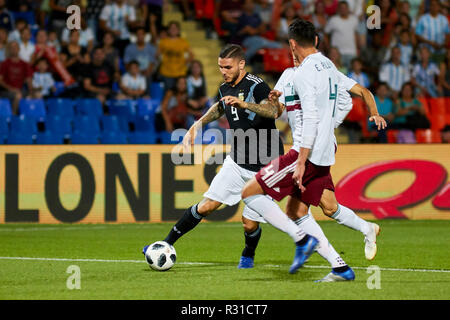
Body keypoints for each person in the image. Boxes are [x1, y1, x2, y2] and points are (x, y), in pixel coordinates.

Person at [240, 19, 387, 280]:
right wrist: (275, 100)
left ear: (292, 44)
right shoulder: (324, 67)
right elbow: (280, 109)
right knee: (314, 209)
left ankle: (302, 241)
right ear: (317, 40)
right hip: (323, 153)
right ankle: (342, 264)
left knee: (249, 192)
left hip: (305, 152)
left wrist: (301, 159)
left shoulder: (306, 73)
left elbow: (311, 118)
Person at [155, 44, 318, 274]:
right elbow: (220, 107)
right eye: (220, 67)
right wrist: (197, 124)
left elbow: (272, 111)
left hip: (264, 165)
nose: (223, 71)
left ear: (241, 64)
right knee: (207, 206)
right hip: (237, 160)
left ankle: (249, 253)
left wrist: (243, 103)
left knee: (248, 223)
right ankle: (165, 243)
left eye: (228, 67)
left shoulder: (257, 85)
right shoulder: (224, 87)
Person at [157, 21, 194, 92]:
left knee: (180, 93)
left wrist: (184, 62)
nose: (173, 30)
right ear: (168, 30)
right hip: (166, 73)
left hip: (180, 73)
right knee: (168, 93)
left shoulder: (183, 42)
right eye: (171, 28)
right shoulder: (163, 41)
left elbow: (192, 55)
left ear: (178, 30)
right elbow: (157, 55)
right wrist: (164, 62)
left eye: (175, 28)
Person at [324, 0, 359, 70]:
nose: (343, 10)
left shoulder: (354, 19)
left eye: (345, 8)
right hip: (337, 54)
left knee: (350, 76)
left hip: (351, 52)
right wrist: (328, 49)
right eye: (341, 8)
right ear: (338, 9)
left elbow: (355, 35)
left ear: (348, 9)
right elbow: (326, 34)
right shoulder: (333, 20)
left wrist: (357, 49)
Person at [0, 41, 33, 114]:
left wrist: (31, 92)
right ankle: (13, 117)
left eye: (15, 47)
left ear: (19, 49)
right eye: (12, 47)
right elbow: (0, 80)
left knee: (38, 95)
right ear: (9, 50)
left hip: (20, 90)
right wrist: (11, 89)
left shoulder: (24, 64)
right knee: (18, 95)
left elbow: (28, 80)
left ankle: (31, 120)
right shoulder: (5, 63)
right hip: (6, 91)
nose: (14, 49)